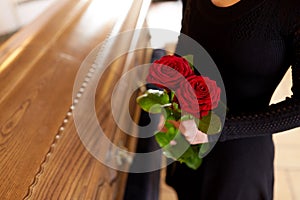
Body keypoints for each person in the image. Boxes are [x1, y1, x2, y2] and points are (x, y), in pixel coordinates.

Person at [164, 0, 300, 199]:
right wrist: (168, 104)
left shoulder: (290, 9)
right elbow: (184, 50)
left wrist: (218, 130)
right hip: (189, 139)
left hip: (240, 158)